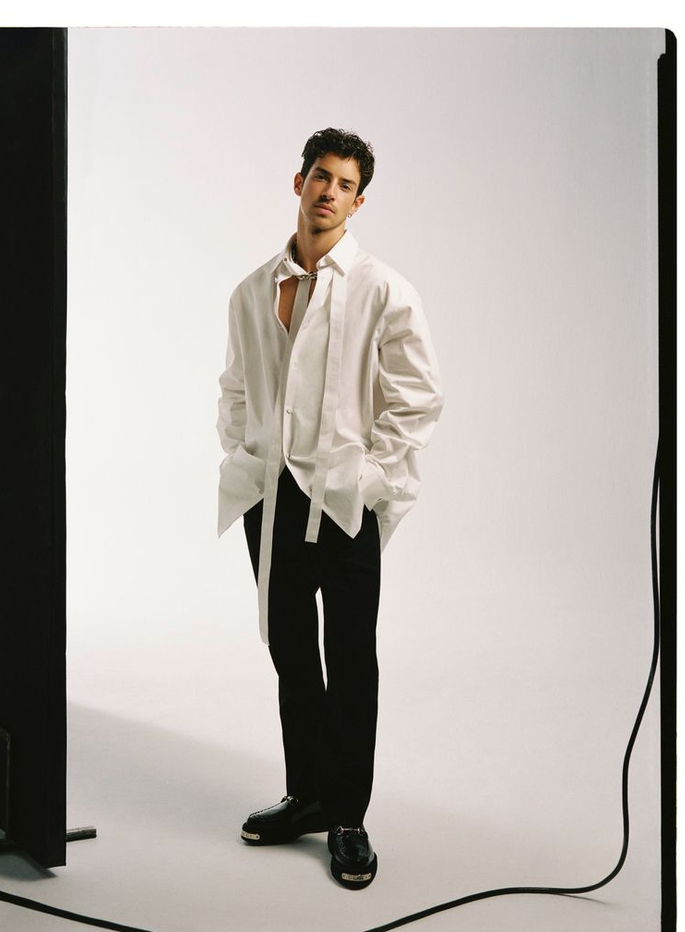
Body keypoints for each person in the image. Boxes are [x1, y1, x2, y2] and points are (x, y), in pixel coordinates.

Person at [216, 127, 442, 889]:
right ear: (299, 182)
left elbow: (418, 398)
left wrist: (370, 478)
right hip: (271, 498)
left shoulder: (383, 289)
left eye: (345, 184)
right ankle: (308, 793)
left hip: (345, 504)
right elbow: (236, 387)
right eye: (320, 176)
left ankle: (347, 816)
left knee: (349, 660)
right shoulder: (253, 289)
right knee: (290, 652)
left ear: (358, 201)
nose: (328, 191)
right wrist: (247, 453)